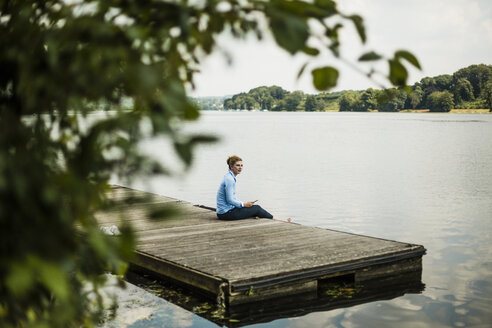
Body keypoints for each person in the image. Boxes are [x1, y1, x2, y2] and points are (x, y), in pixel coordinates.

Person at [216, 155, 291, 222]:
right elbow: (230, 200)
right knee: (257, 208)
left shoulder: (228, 177)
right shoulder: (230, 179)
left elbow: (232, 198)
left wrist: (244, 204)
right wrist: (244, 204)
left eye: (242, 165)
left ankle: (272, 218)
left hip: (224, 212)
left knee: (252, 208)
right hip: (226, 214)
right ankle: (279, 220)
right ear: (231, 167)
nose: (240, 167)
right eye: (237, 165)